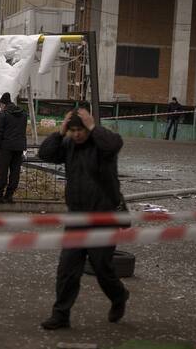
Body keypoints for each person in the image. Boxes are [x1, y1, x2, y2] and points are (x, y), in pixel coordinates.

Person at [37, 108, 129, 330]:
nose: (77, 135)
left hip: (103, 217)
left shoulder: (102, 144)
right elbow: (45, 154)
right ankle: (60, 315)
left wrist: (93, 128)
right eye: (73, 130)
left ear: (88, 128)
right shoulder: (68, 145)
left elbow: (115, 144)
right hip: (77, 217)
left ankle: (119, 296)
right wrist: (60, 133)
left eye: (81, 130)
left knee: (101, 268)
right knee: (67, 268)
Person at [0, 93, 28, 204]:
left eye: (0, 105)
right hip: (19, 148)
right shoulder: (23, 114)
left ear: (2, 104)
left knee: (2, 172)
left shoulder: (3, 115)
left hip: (5, 148)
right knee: (15, 172)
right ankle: (9, 196)